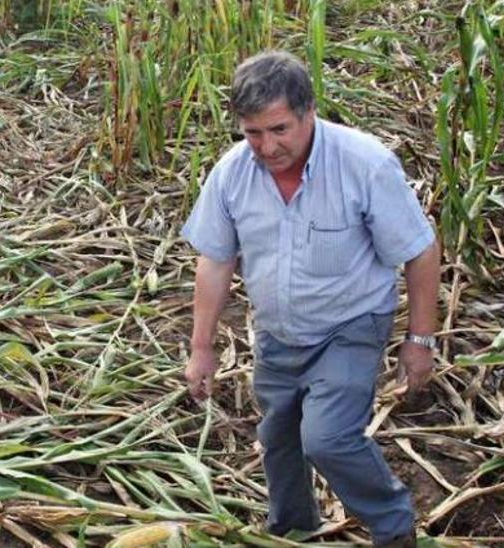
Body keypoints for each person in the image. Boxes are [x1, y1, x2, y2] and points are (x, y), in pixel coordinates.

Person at [180, 50, 440, 547]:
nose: (267, 146)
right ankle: (294, 529)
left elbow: (421, 251)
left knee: (325, 438)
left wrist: (420, 339)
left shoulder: (364, 164)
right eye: (252, 132)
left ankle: (393, 526)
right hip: (279, 333)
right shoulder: (232, 174)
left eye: (279, 129)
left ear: (309, 111)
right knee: (279, 439)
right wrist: (201, 347)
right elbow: (215, 261)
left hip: (350, 325)